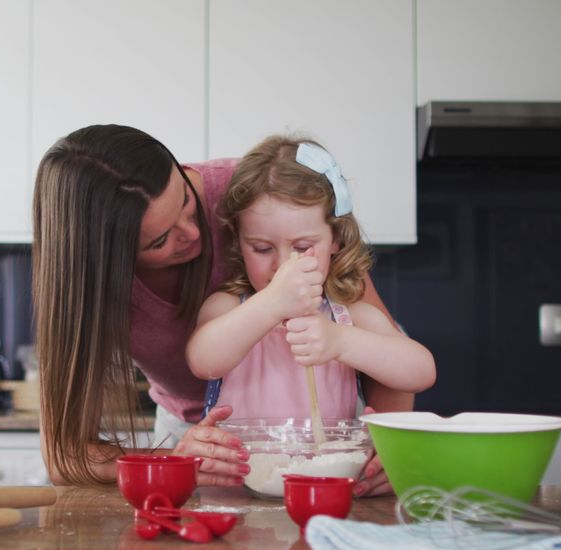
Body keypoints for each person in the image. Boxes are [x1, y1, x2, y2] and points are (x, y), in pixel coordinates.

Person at [32, 124, 419, 495]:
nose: (195, 233)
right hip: (204, 442)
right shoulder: (83, 285)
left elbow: (390, 353)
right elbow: (65, 457)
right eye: (161, 240)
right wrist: (178, 460)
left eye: (185, 200)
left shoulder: (264, 193)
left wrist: (388, 448)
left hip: (333, 451)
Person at [186, 135, 436, 421]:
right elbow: (202, 361)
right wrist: (270, 304)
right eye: (262, 248)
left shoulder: (350, 317)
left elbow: (422, 372)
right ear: (238, 243)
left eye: (303, 248)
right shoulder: (228, 307)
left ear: (336, 239)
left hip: (328, 466)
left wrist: (341, 341)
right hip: (247, 466)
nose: (282, 266)